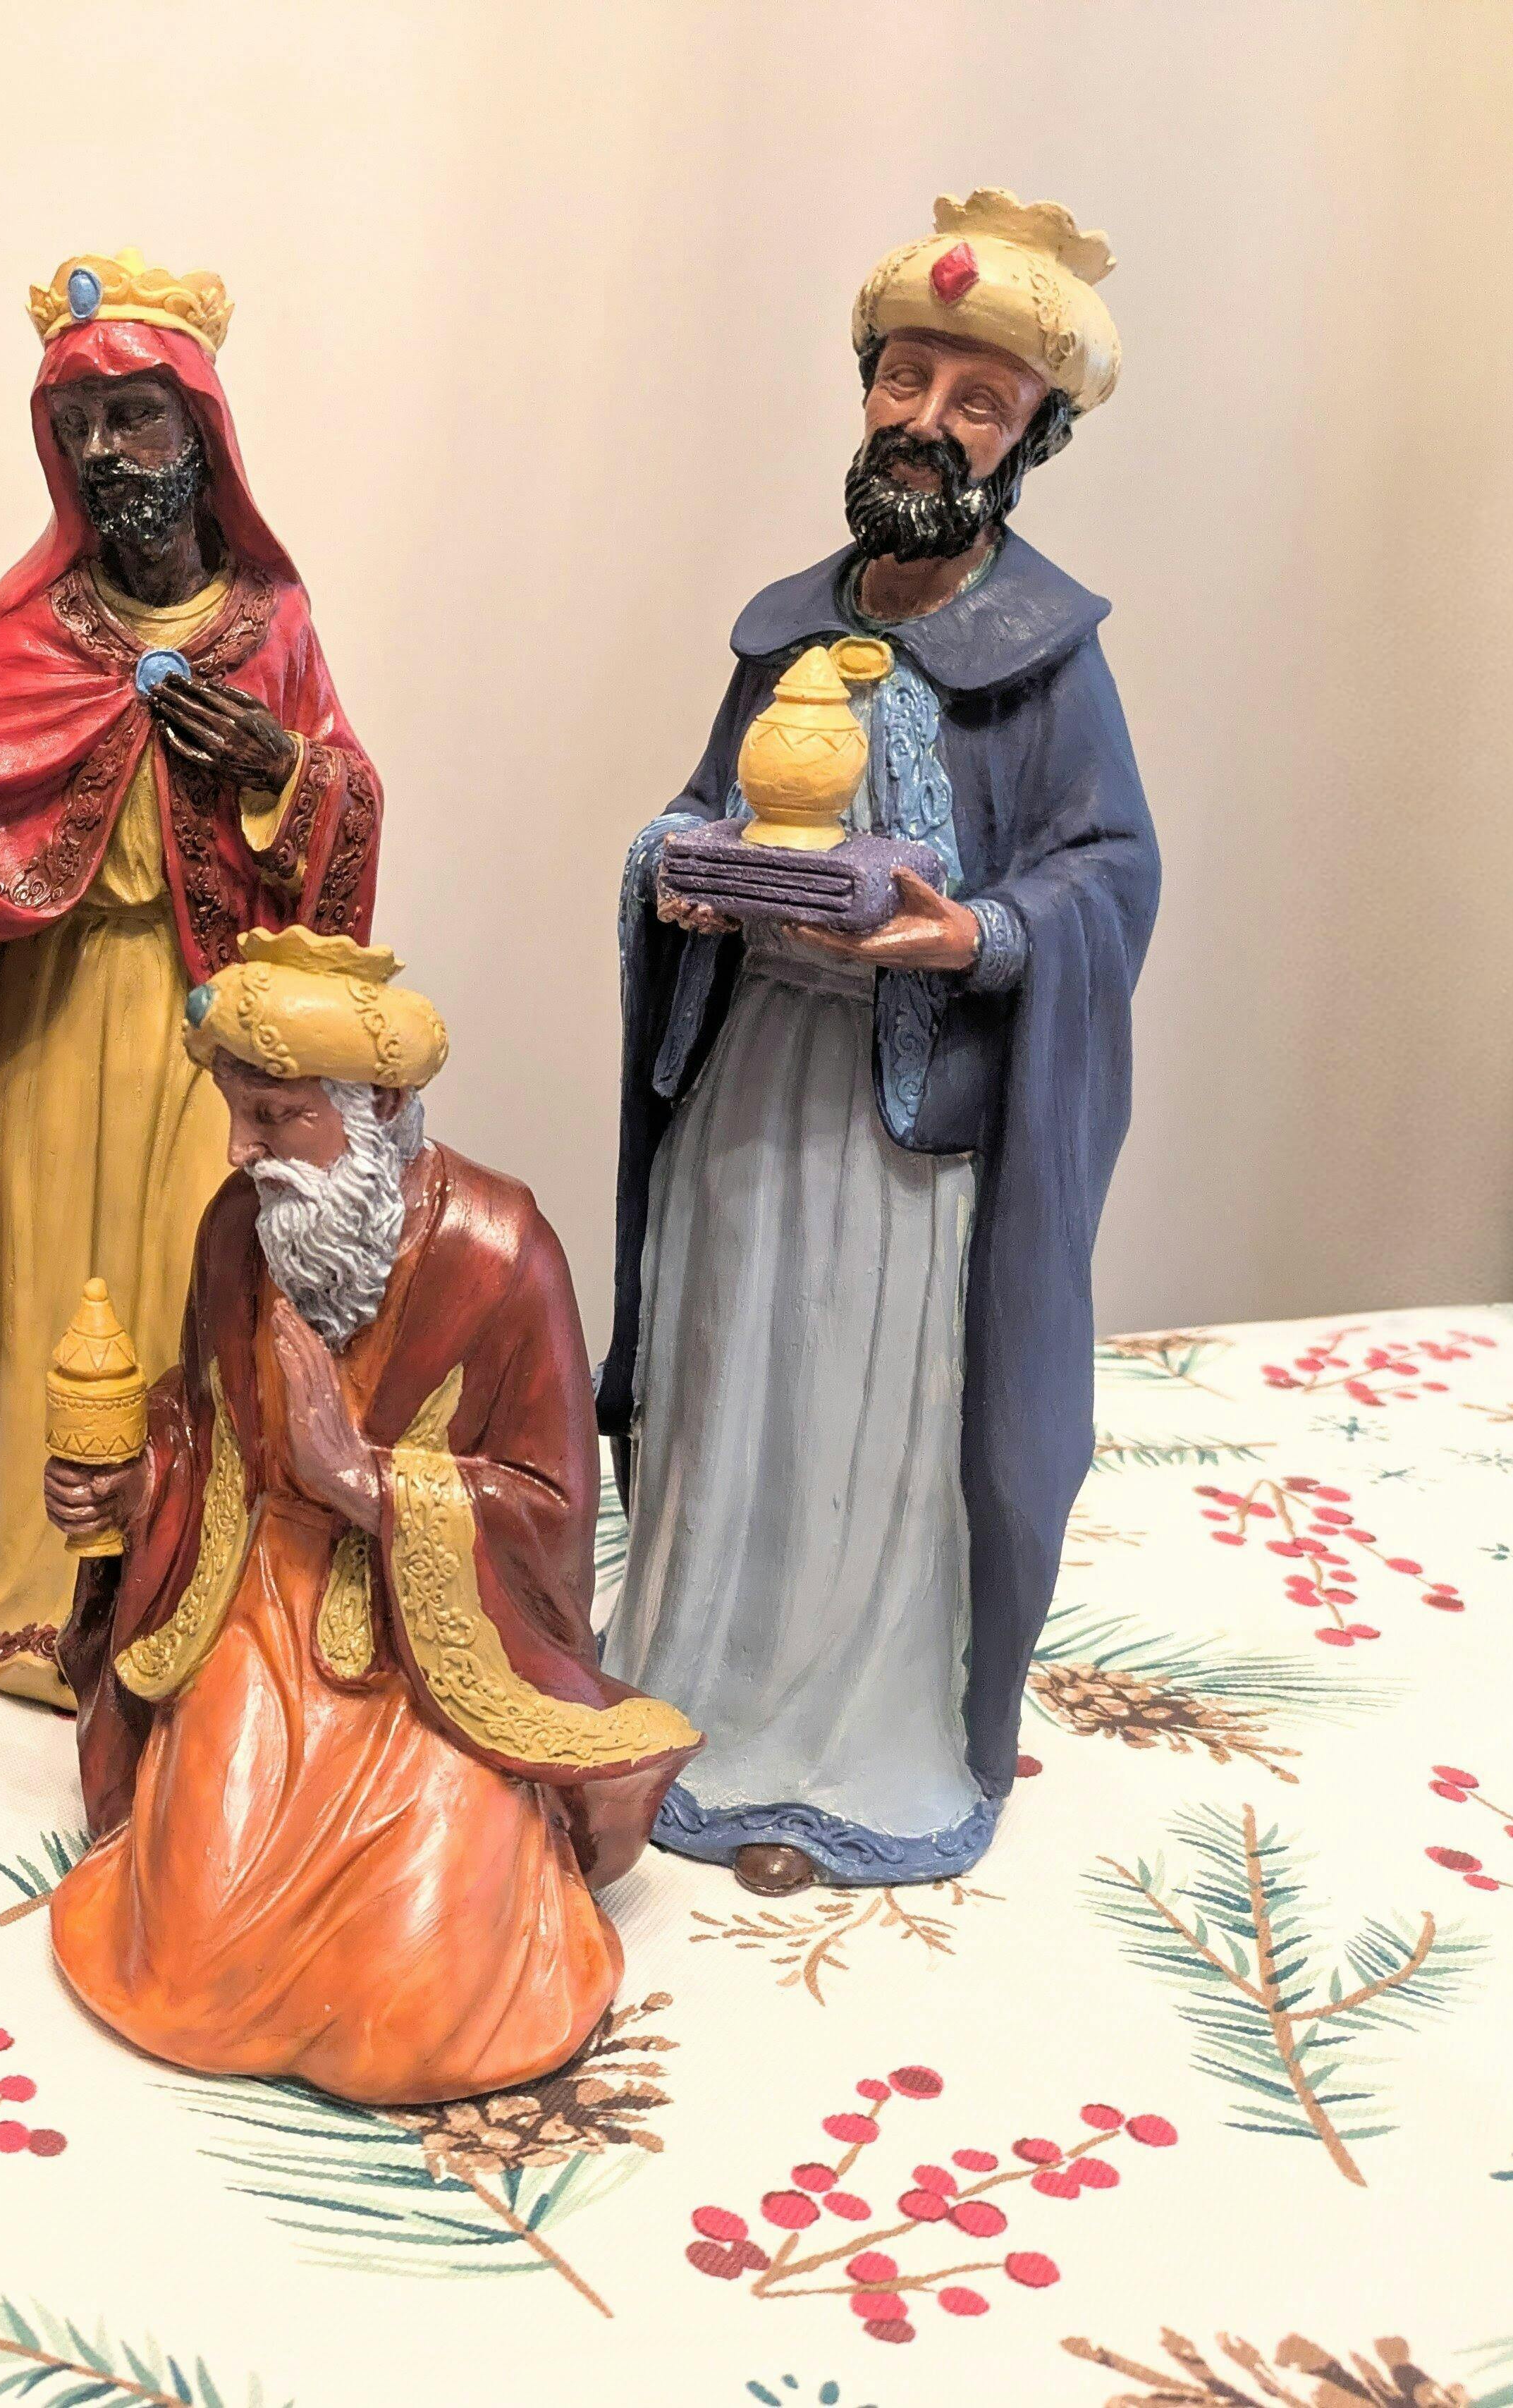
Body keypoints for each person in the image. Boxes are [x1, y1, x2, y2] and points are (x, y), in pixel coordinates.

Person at [599, 192, 1160, 1894]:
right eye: (903, 380)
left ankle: (847, 1731)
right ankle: (692, 1686)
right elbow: (701, 804)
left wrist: (967, 933)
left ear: (1028, 440)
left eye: (976, 400)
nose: (926, 420)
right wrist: (680, 867)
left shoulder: (1040, 654)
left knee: (863, 1400)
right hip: (751, 1072)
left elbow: (1105, 870)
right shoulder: (783, 627)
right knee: (732, 1371)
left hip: (897, 1114)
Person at [0, 250, 386, 1708]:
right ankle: (33, 1575)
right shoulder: (30, 633)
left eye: (135, 418)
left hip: (212, 1036)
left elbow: (350, 809)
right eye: (79, 426)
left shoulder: (269, 624)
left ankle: (196, 1575)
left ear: (199, 434)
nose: (106, 450)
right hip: (48, 1024)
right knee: (51, 1289)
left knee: (204, 1287)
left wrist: (281, 770)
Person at [49, 931, 698, 2106]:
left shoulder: (500, 1250)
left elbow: (552, 1506)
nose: (241, 1151)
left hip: (431, 1650)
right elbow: (201, 1425)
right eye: (235, 1113)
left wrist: (366, 1484)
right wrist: (129, 1484)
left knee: (426, 2004)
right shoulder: (235, 1230)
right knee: (189, 1960)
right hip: (255, 1604)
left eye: (276, 1118)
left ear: (381, 1107)